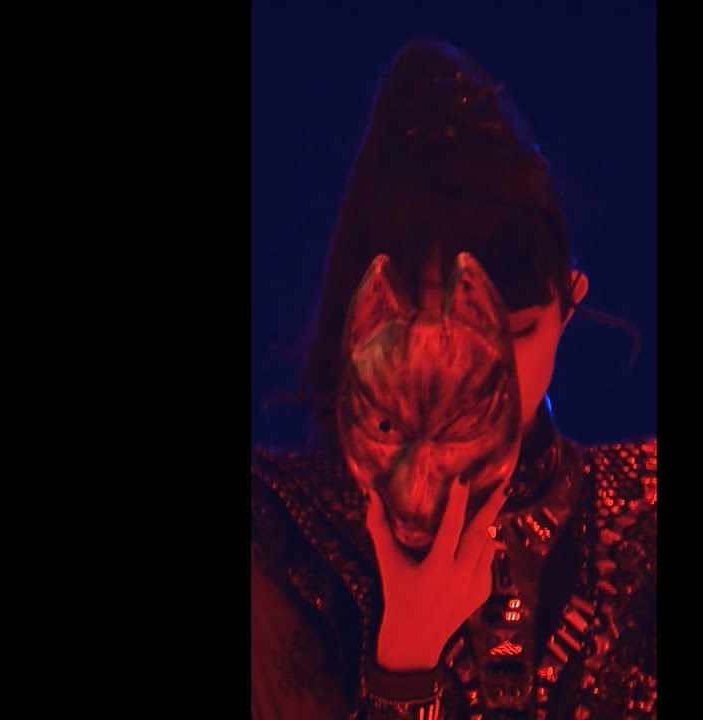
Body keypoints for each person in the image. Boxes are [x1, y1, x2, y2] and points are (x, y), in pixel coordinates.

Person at [251, 38, 657, 720]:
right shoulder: (278, 534)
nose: (474, 378)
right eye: (440, 335)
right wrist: (403, 662)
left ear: (569, 304)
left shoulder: (643, 517)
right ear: (365, 321)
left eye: (516, 330)